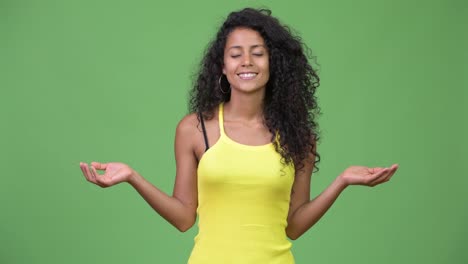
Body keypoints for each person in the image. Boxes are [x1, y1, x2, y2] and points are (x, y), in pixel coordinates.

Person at [79, 8, 398, 264]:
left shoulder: (297, 136)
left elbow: (294, 225)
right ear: (222, 66)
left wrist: (341, 181)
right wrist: (133, 177)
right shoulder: (194, 129)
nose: (247, 61)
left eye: (258, 53)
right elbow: (183, 218)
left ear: (274, 63)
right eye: (236, 54)